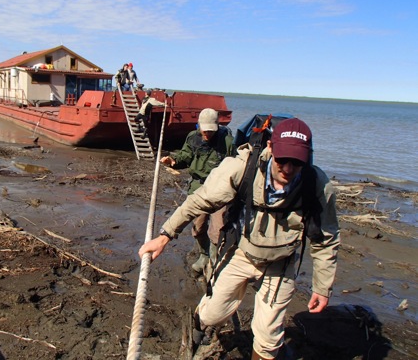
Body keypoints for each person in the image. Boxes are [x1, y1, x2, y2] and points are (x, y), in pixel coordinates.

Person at [139, 118, 340, 360]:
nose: (288, 169)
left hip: (280, 263)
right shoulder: (242, 168)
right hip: (242, 252)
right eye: (282, 160)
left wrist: (322, 287)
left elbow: (325, 239)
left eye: (297, 162)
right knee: (212, 313)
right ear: (270, 147)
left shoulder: (316, 185)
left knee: (268, 337)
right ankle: (198, 329)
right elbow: (199, 200)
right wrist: (165, 235)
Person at [160, 108, 235, 275]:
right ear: (199, 126)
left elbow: (235, 167)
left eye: (210, 130)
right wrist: (173, 161)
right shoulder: (192, 137)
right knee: (198, 227)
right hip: (198, 188)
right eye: (204, 130)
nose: (207, 134)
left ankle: (214, 263)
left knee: (217, 228)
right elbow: (185, 156)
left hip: (219, 191)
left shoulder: (228, 141)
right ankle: (204, 255)